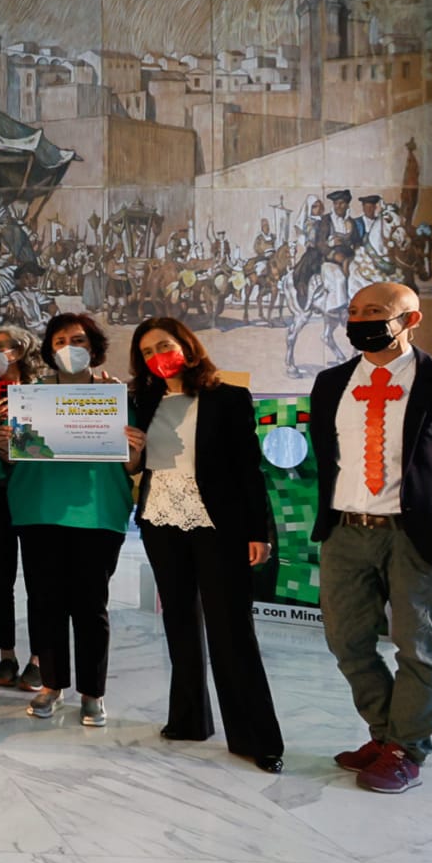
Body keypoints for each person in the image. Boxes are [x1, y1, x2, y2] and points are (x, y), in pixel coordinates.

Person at [309, 282, 432, 794]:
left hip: (416, 534)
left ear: (409, 320)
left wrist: (431, 503)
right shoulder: (331, 384)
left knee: (418, 646)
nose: (360, 320)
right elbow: (327, 458)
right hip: (346, 531)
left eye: (375, 311)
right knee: (346, 640)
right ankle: (384, 734)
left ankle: (406, 748)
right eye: (353, 312)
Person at [126, 318, 285, 772]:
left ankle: (257, 737)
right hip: (160, 520)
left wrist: (259, 532)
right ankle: (188, 719)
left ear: (187, 345)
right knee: (178, 621)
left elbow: (249, 471)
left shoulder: (228, 398)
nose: (159, 356)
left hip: (218, 524)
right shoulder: (144, 401)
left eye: (165, 345)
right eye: (148, 352)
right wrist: (132, 457)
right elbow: (135, 467)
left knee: (231, 629)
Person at [0, 313, 135, 727]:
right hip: (40, 510)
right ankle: (51, 685)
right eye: (59, 340)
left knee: (91, 606)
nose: (68, 347)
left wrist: (135, 447)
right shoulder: (29, 397)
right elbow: (10, 463)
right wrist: (5, 446)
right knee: (45, 602)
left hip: (97, 512)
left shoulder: (115, 396)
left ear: (93, 347)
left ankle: (92, 693)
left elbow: (133, 463)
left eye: (77, 339)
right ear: (49, 349)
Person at [0, 327, 40, 688]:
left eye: (1, 347)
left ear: (20, 351)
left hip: (34, 491)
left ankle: (38, 657)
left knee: (39, 577)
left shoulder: (42, 392)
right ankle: (6, 654)